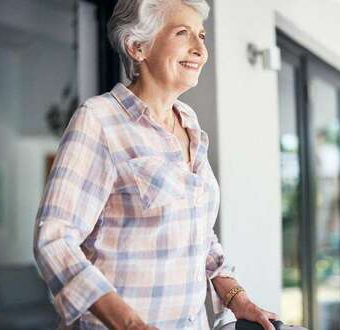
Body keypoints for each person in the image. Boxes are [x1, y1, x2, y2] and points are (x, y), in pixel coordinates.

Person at [33, 0, 280, 329]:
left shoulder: (189, 122)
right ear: (137, 47)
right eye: (182, 33)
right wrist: (131, 324)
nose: (199, 50)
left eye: (202, 36)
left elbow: (200, 235)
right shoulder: (100, 120)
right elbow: (55, 239)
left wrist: (239, 299)